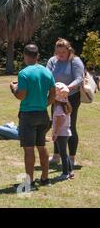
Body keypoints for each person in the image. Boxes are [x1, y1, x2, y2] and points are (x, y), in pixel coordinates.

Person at [10, 44, 55, 188]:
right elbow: (53, 94)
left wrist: (13, 89)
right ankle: (45, 178)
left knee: (29, 149)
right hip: (43, 114)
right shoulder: (47, 72)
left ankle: (28, 181)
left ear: (25, 55)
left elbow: (21, 95)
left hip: (28, 115)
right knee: (41, 146)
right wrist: (43, 104)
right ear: (38, 56)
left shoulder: (23, 73)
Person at [47, 38, 84, 167]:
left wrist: (68, 88)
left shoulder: (75, 61)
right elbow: (48, 75)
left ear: (69, 50)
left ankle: (72, 158)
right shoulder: (52, 61)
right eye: (58, 52)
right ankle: (56, 156)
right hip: (56, 97)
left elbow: (80, 78)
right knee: (56, 124)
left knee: (70, 126)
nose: (60, 55)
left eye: (63, 52)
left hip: (72, 97)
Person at [52, 82, 75, 180]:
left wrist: (56, 133)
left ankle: (65, 173)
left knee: (63, 154)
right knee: (64, 153)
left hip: (61, 134)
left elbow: (61, 118)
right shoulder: (66, 105)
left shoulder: (58, 107)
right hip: (66, 132)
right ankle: (70, 171)